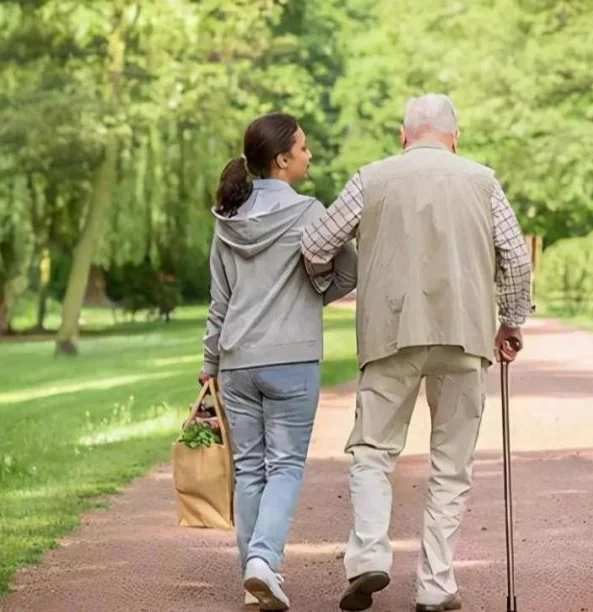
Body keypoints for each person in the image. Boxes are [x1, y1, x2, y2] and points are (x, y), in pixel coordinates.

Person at [300, 93, 533, 612]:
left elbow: (315, 245)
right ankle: (435, 586)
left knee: (372, 451)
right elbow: (515, 259)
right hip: (465, 334)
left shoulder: (373, 177)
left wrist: (339, 277)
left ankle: (368, 558)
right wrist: (511, 322)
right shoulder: (482, 180)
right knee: (451, 466)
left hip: (391, 331)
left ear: (404, 136)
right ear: (456, 136)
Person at [199, 112, 357, 611]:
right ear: (283, 159)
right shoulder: (310, 213)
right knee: (285, 466)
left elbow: (219, 302)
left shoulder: (227, 220)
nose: (309, 155)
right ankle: (263, 561)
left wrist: (210, 362)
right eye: (304, 148)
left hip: (237, 361)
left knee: (249, 470)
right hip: (292, 359)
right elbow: (349, 269)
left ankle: (253, 573)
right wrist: (314, 293)